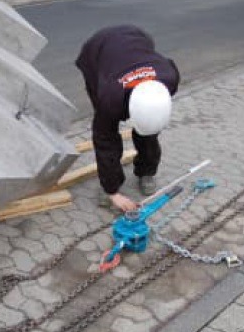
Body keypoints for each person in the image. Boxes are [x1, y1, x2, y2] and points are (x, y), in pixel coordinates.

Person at [76, 24, 180, 212]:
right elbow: (104, 140)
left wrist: (147, 126)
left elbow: (151, 120)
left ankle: (146, 171)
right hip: (97, 51)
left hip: (136, 39)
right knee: (108, 132)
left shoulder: (169, 77)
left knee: (148, 135)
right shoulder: (109, 98)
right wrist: (112, 191)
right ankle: (111, 184)